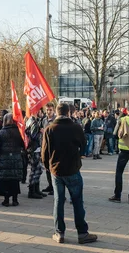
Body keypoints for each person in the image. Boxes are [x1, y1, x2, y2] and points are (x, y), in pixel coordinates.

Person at [41, 103, 97, 245]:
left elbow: (44, 153)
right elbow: (84, 145)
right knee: (77, 201)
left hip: (56, 171)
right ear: (69, 112)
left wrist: (48, 167)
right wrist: (79, 156)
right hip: (72, 169)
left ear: (57, 112)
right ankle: (82, 233)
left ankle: (59, 233)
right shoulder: (75, 127)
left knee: (58, 201)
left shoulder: (49, 129)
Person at [0, 113, 24, 207]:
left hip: (4, 159)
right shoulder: (19, 132)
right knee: (14, 180)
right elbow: (24, 144)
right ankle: (15, 200)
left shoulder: (1, 132)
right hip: (16, 158)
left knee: (6, 180)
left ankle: (6, 200)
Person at [26, 114, 45, 199]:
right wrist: (40, 132)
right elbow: (32, 136)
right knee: (36, 170)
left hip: (35, 149)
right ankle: (32, 190)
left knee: (37, 169)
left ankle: (36, 189)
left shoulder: (34, 121)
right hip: (34, 150)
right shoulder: (33, 122)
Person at [41, 103, 56, 195]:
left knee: (53, 167)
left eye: (50, 110)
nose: (48, 112)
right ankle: (50, 185)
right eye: (47, 110)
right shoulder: (44, 120)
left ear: (53, 110)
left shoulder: (55, 120)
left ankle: (55, 187)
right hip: (45, 145)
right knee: (47, 167)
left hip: (53, 146)